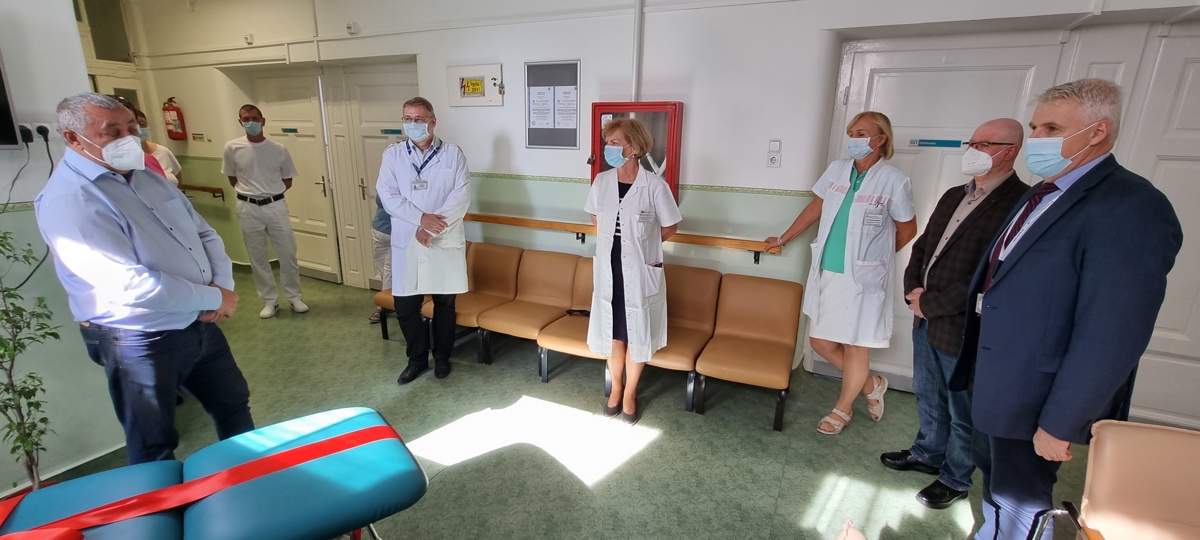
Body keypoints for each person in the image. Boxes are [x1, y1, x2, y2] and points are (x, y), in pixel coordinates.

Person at [950, 79, 1182, 539]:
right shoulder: (1043, 192)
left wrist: (1061, 423)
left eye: (1052, 128)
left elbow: (1113, 332)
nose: (1036, 138)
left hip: (1037, 394)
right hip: (995, 377)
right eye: (1036, 126)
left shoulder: (1131, 206)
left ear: (1097, 131)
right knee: (995, 485)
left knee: (1021, 500)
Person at [35, 92, 254, 464]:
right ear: (73, 138)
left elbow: (205, 234)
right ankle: (162, 502)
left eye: (132, 127)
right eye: (112, 131)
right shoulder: (71, 198)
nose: (128, 138)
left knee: (234, 405)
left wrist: (222, 287)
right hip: (138, 338)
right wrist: (214, 298)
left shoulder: (147, 177)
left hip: (200, 324)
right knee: (153, 441)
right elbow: (128, 284)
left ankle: (250, 478)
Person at [879, 119, 1028, 510]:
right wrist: (914, 290)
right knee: (928, 392)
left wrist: (931, 303)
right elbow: (924, 246)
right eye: (971, 143)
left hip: (964, 325)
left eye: (984, 144)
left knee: (962, 407)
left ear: (1010, 151)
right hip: (924, 315)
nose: (973, 150)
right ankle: (928, 453)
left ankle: (956, 478)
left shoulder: (1019, 203)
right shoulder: (953, 195)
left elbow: (993, 275)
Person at [767, 111, 916, 435]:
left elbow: (908, 229)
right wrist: (782, 238)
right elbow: (816, 207)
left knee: (855, 344)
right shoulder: (837, 169)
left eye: (861, 133)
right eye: (851, 133)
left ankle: (843, 409)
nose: (853, 139)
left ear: (880, 139)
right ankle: (871, 384)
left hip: (863, 279)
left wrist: (874, 259)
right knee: (820, 342)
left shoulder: (894, 180)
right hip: (828, 270)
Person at [585, 117, 682, 426]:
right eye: (608, 143)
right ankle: (615, 390)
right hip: (609, 267)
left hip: (639, 270)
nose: (609, 149)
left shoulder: (654, 185)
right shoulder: (602, 181)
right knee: (614, 334)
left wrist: (644, 245)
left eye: (615, 143)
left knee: (636, 333)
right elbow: (595, 218)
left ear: (634, 147)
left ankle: (630, 394)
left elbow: (670, 226)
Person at [377, 97, 470, 383]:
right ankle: (416, 359)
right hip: (408, 240)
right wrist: (420, 219)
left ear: (432, 121)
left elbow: (461, 196)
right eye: (407, 118)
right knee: (406, 307)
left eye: (418, 119)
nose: (412, 124)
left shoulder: (453, 154)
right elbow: (388, 196)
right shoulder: (393, 155)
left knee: (445, 306)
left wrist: (432, 228)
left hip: (442, 240)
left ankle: (442, 357)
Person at [221, 104, 308, 319]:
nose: (250, 122)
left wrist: (269, 193)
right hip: (248, 207)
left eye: (254, 118)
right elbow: (232, 178)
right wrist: (253, 193)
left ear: (263, 121)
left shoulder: (278, 149)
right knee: (257, 257)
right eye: (246, 119)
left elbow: (287, 180)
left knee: (288, 254)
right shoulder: (232, 148)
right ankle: (269, 301)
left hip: (275, 205)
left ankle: (294, 297)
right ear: (240, 122)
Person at [136, 109, 183, 187]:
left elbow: (178, 181)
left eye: (142, 124)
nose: (139, 130)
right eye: (133, 126)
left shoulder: (163, 152)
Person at [369, 195, 391, 323]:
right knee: (381, 266)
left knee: (389, 269)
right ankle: (390, 298)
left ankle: (382, 306)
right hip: (378, 229)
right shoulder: (384, 183)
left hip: (397, 233)